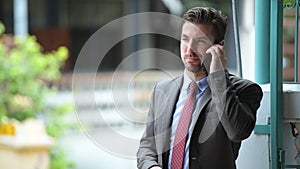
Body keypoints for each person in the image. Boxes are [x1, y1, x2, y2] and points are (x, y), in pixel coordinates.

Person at [136, 6, 263, 169]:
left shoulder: (245, 90)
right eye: (185, 39)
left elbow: (237, 131)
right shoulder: (162, 90)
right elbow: (147, 146)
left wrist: (217, 74)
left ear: (219, 46)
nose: (189, 49)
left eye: (200, 41)